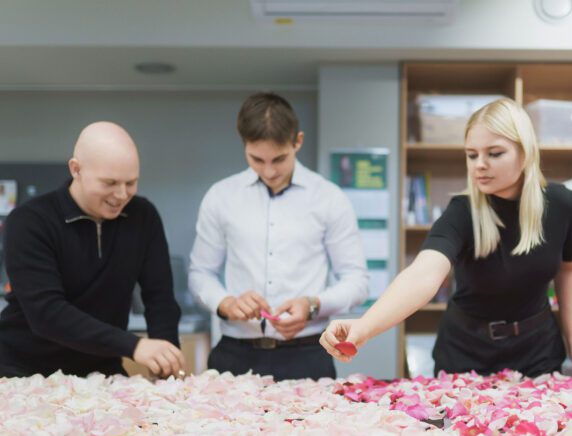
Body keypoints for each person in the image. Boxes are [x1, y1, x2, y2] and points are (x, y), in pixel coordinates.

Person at [320, 98, 572, 380]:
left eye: (494, 153)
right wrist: (366, 326)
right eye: (472, 154)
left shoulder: (563, 205)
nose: (480, 165)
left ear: (525, 153)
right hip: (467, 353)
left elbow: (570, 270)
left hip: (537, 350)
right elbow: (423, 274)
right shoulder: (462, 212)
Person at [188, 92, 368, 380]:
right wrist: (226, 303)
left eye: (279, 159)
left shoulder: (329, 198)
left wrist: (313, 305)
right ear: (244, 144)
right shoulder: (220, 197)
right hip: (234, 355)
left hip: (309, 356)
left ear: (297, 141)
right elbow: (200, 275)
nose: (269, 171)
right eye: (256, 159)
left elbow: (357, 283)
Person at [0, 122, 185, 378]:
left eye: (131, 183)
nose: (121, 195)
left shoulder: (143, 216)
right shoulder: (29, 221)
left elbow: (160, 297)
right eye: (109, 183)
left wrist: (166, 360)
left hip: (101, 368)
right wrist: (135, 346)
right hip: (23, 368)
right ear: (76, 169)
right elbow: (47, 313)